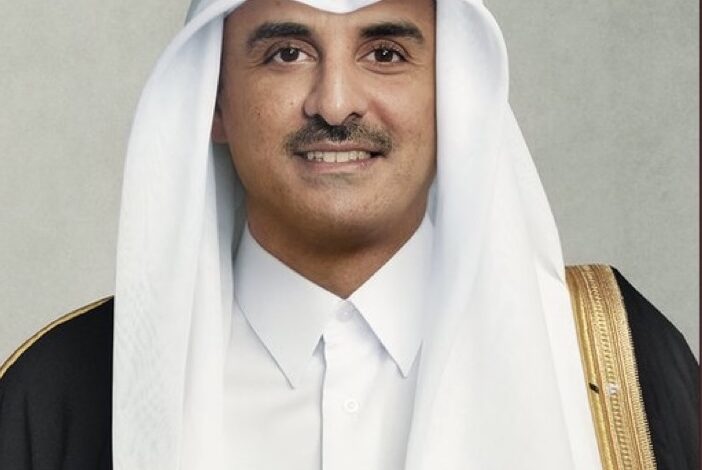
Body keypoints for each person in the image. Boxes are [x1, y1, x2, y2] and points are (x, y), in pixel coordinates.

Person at [0, 0, 697, 469]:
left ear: (455, 95)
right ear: (211, 102)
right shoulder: (66, 389)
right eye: (287, 53)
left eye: (385, 53)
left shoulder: (610, 358)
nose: (335, 104)